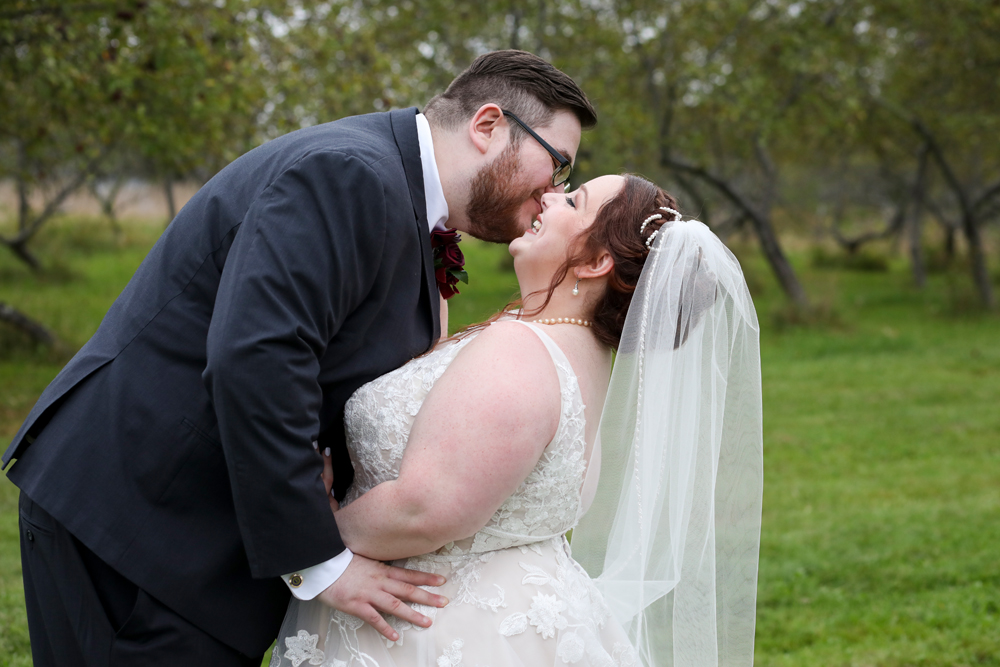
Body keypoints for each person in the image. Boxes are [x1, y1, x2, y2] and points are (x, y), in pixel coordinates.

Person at [3, 50, 597, 665]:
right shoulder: (349, 174)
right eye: (556, 163)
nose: (553, 191)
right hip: (138, 529)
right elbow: (256, 358)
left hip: (182, 539)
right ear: (488, 125)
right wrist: (319, 560)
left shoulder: (396, 191)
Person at [271, 174, 764, 666]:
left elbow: (424, 508)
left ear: (596, 263)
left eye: (574, 201)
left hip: (444, 628)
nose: (549, 196)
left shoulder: (521, 351)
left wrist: (311, 534)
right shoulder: (575, 348)